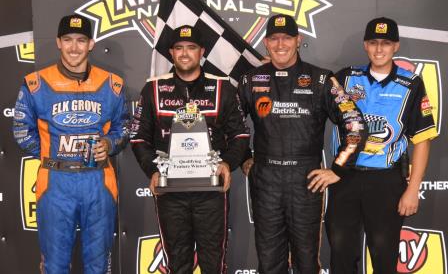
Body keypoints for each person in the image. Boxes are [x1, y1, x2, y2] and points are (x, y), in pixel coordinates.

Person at [238, 14, 366, 274]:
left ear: (298, 40)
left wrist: (338, 168)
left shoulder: (321, 79)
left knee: (307, 262)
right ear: (266, 43)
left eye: (287, 38)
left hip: (306, 178)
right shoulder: (250, 80)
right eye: (274, 39)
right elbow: (231, 126)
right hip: (265, 179)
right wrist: (243, 157)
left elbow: (355, 124)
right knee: (269, 262)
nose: (280, 44)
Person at [313, 17, 438, 274]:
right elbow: (305, 90)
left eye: (386, 43)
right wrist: (278, 69)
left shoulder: (411, 84)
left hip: (387, 181)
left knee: (384, 258)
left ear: (396, 46)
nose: (379, 49)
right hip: (344, 178)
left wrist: (413, 188)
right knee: (341, 256)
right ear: (365, 45)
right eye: (373, 42)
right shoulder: (345, 78)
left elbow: (423, 140)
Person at [12, 14, 129, 274]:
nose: (74, 47)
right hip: (55, 182)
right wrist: (52, 154)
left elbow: (125, 128)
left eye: (80, 40)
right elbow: (21, 131)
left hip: (98, 181)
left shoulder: (113, 85)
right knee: (54, 265)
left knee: (98, 266)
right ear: (58, 42)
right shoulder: (36, 84)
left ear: (91, 44)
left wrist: (109, 144)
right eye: (67, 40)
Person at [130, 25, 250, 273]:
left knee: (213, 263)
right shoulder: (153, 89)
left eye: (191, 47)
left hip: (211, 191)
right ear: (171, 53)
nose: (185, 53)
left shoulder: (222, 88)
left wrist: (227, 163)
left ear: (202, 52)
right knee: (177, 263)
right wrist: (153, 171)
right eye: (179, 48)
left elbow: (240, 135)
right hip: (170, 191)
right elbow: (138, 137)